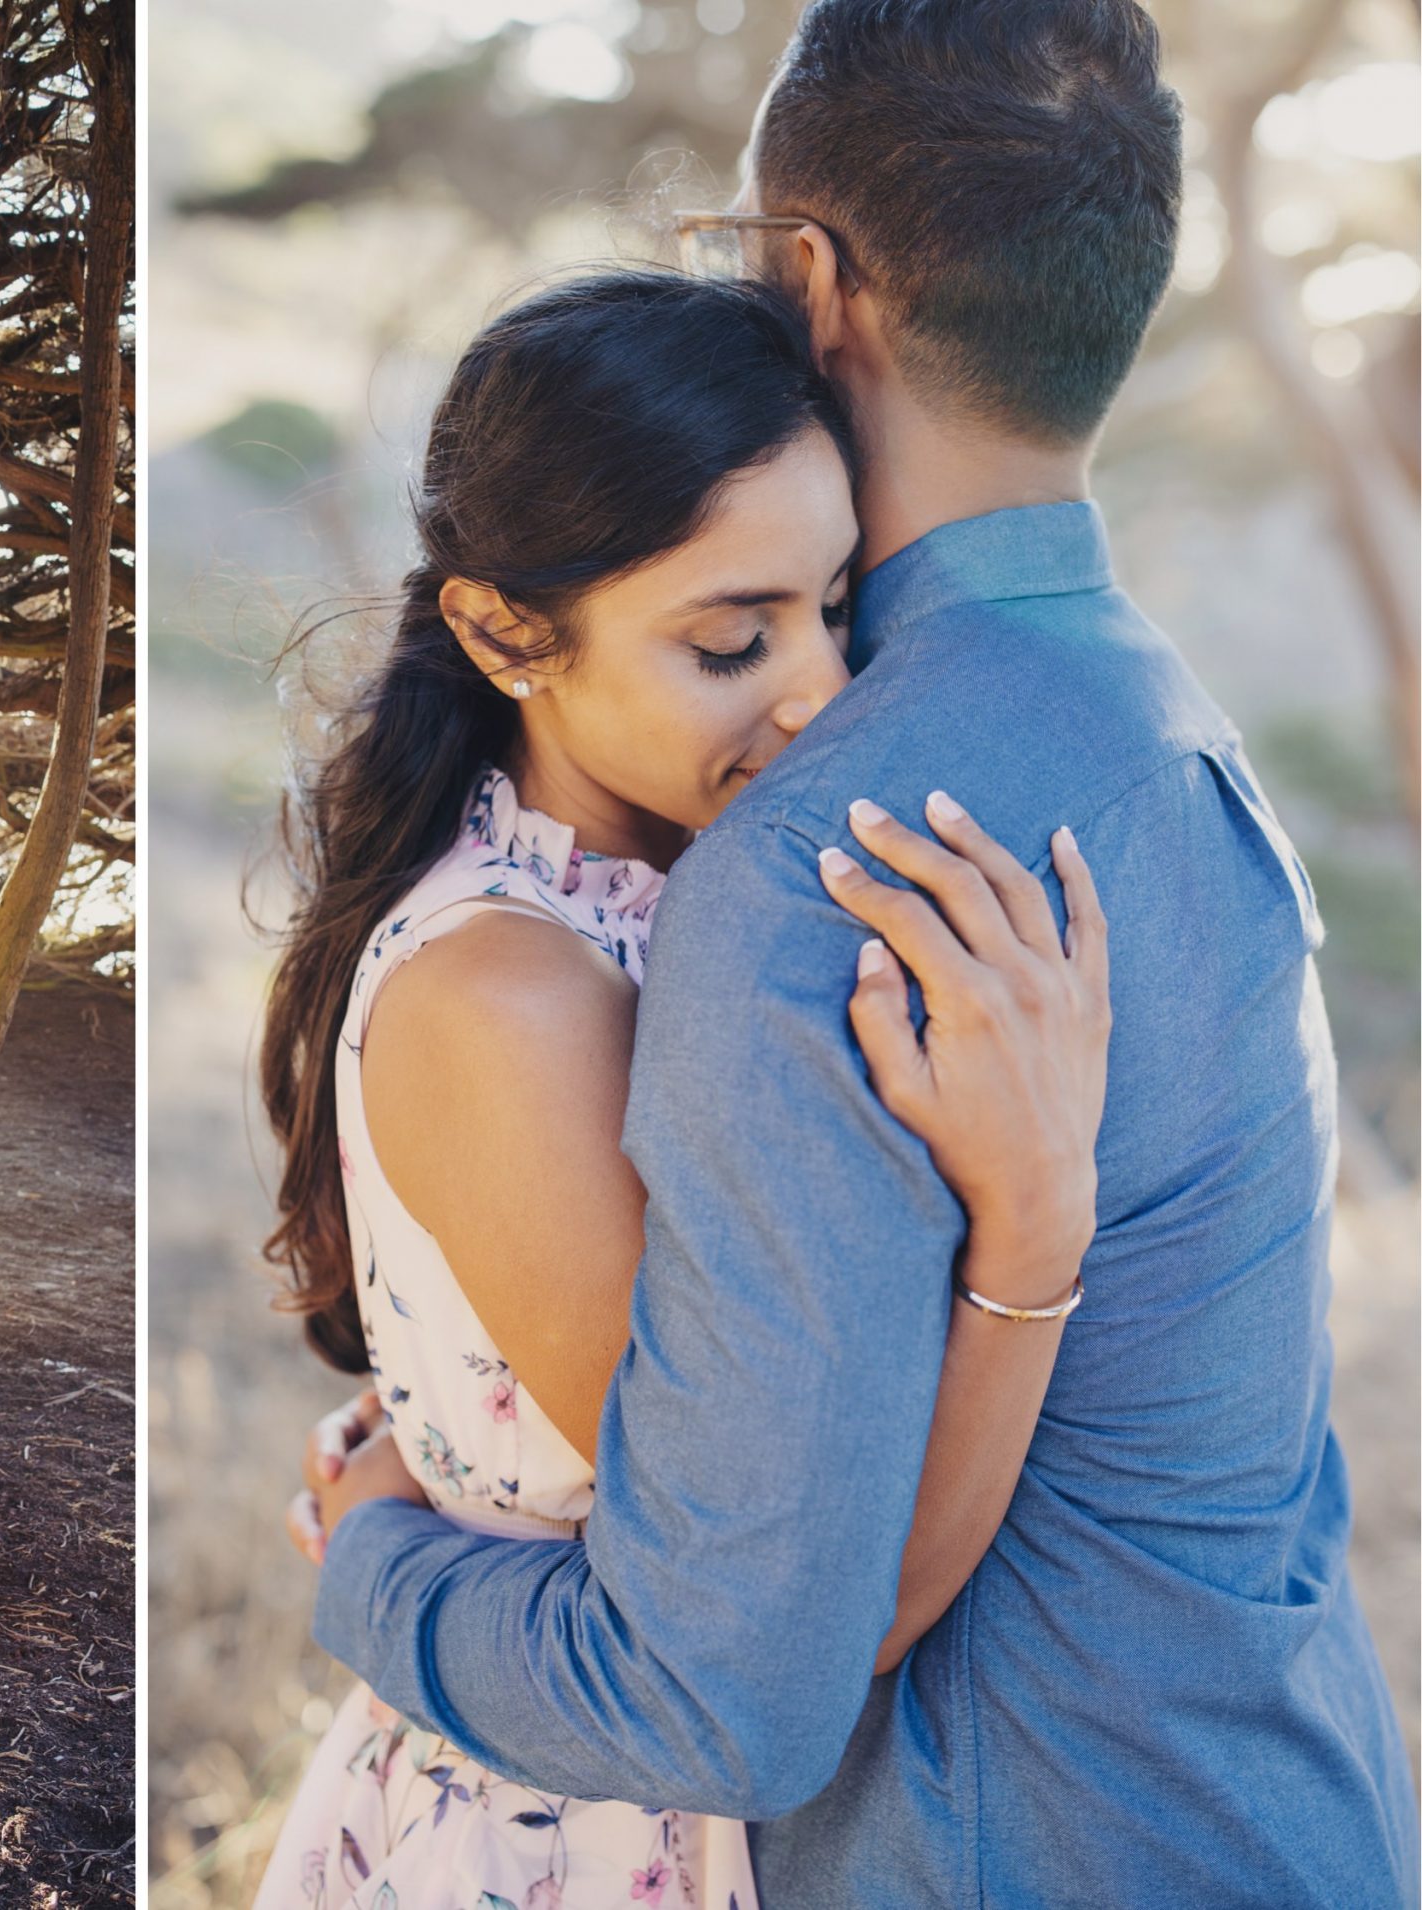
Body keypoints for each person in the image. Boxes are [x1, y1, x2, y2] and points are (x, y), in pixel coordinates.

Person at [291, 4, 1419, 1905]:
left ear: (809, 277)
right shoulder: (1160, 724)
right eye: (743, 634)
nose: (803, 689)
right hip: (1292, 1808)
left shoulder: (832, 861)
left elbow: (730, 1685)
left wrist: (369, 1568)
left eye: (803, 618)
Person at [252, 270, 1110, 1910]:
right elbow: (818, 1626)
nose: (820, 694)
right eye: (733, 640)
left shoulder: (692, 891)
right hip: (571, 1839)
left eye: (839, 607)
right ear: (507, 633)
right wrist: (1033, 1224)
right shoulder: (513, 995)